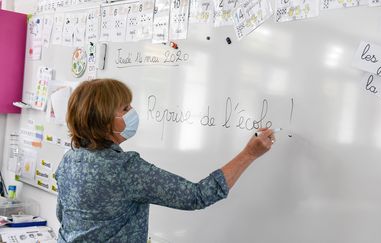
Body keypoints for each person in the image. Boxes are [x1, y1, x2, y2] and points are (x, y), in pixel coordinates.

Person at [56, 78, 275, 242]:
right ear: (105, 122)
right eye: (125, 108)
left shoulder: (69, 160)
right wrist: (249, 154)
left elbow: (63, 215)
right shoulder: (125, 169)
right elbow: (197, 196)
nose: (133, 112)